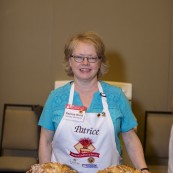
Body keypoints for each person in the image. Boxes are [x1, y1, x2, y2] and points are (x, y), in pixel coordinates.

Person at [38, 31, 150, 173]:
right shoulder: (56, 97)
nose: (85, 63)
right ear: (69, 61)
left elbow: (130, 139)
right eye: (79, 57)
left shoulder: (116, 96)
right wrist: (44, 170)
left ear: (100, 62)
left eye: (91, 58)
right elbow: (45, 141)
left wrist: (144, 169)